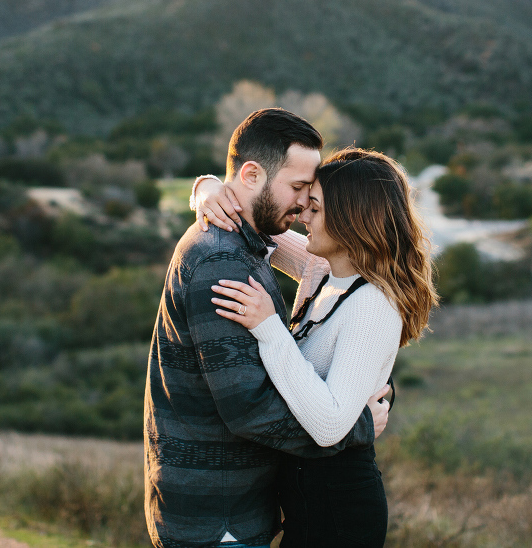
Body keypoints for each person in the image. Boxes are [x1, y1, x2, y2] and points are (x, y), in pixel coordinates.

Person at [144, 109, 390, 548]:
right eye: (298, 189)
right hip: (218, 519)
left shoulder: (257, 245)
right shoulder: (223, 258)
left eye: (313, 200)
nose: (302, 207)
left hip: (241, 510)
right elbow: (250, 409)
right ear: (253, 174)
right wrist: (360, 427)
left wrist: (210, 187)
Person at [195, 147, 438, 547]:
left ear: (351, 221)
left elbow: (328, 426)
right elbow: (251, 226)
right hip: (305, 497)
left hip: (339, 511)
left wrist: (269, 326)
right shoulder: (322, 269)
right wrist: (207, 189)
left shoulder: (373, 306)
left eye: (315, 209)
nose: (302, 216)